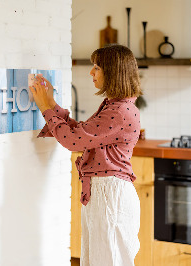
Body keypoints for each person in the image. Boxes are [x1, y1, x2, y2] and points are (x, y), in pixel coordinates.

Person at [30, 44, 142, 266]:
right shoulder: (115, 106)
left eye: (97, 67)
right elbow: (81, 133)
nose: (91, 72)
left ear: (113, 72)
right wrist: (51, 103)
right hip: (105, 193)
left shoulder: (119, 111)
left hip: (110, 195)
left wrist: (45, 107)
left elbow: (73, 141)